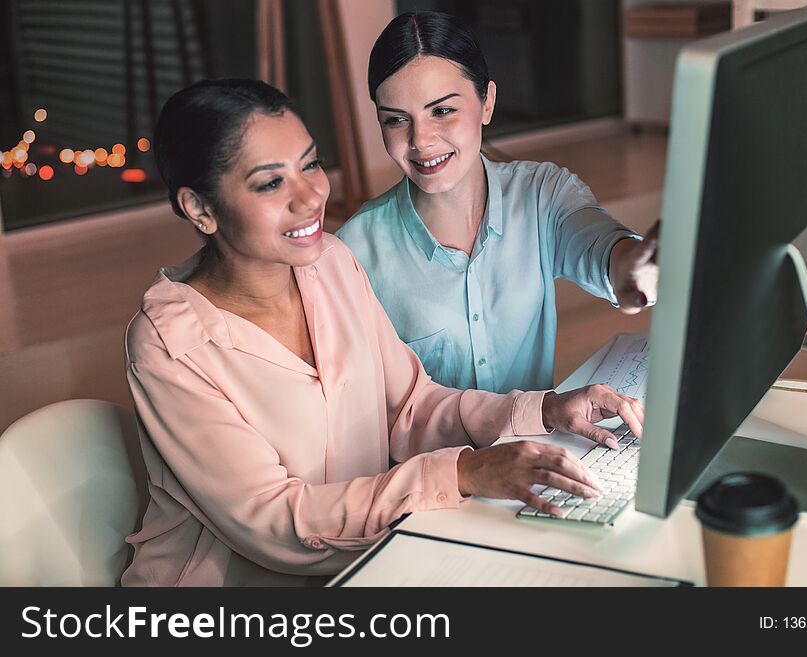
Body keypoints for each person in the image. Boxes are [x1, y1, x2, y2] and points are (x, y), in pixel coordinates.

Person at [122, 78, 644, 587]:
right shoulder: (168, 344)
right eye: (271, 183)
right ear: (200, 209)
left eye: (309, 165)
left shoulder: (331, 262)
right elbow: (275, 523)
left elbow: (410, 406)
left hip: (372, 561)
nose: (310, 197)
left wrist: (544, 410)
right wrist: (463, 473)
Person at [337, 11, 659, 394]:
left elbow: (602, 249)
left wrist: (633, 268)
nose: (420, 140)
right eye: (395, 120)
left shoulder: (542, 194)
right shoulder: (352, 253)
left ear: (487, 102)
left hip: (539, 450)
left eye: (442, 111)